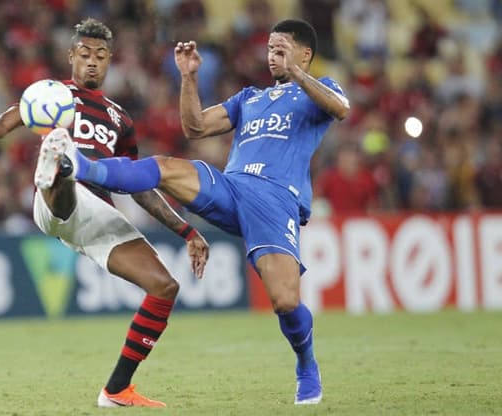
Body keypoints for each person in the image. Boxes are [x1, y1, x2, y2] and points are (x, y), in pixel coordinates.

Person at [50, 19, 350, 405]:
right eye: (270, 49)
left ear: (304, 54)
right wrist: (189, 78)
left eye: (281, 49)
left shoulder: (318, 91)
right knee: (165, 167)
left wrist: (298, 75)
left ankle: (306, 364)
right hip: (232, 186)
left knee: (286, 302)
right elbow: (194, 127)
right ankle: (81, 165)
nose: (272, 56)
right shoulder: (250, 98)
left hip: (275, 200)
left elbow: (340, 109)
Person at [0, 18, 209, 408]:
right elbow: (4, 121)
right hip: (54, 201)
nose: (93, 63)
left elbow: (139, 185)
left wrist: (186, 232)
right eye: (85, 55)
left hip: (96, 215)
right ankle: (60, 168)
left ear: (110, 60)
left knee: (164, 287)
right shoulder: (52, 93)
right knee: (65, 166)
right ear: (71, 57)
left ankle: (116, 391)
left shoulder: (120, 119)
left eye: (100, 56)